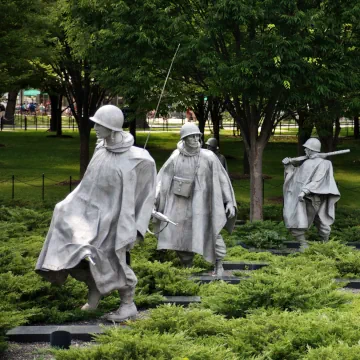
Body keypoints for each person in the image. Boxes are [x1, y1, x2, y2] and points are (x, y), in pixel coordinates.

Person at [36, 105, 156, 322]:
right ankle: (94, 292)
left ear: (112, 127)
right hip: (90, 215)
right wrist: (67, 206)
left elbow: (146, 197)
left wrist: (138, 228)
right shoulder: (100, 149)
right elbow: (88, 186)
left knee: (113, 259)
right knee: (78, 252)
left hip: (116, 221)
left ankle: (127, 304)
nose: (95, 128)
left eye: (100, 124)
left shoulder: (139, 158)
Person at [154, 123, 237, 275]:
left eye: (197, 135)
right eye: (191, 136)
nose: (195, 138)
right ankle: (187, 267)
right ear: (184, 139)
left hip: (203, 203)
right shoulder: (175, 157)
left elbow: (222, 179)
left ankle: (219, 265)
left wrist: (229, 201)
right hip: (180, 203)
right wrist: (154, 200)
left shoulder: (209, 157)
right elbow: (162, 179)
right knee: (180, 234)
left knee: (212, 231)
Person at [282, 138, 340, 251]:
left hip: (313, 198)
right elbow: (296, 177)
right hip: (302, 198)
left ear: (311, 150)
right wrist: (289, 165)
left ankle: (325, 246)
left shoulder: (325, 163)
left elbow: (318, 179)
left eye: (306, 148)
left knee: (321, 223)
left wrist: (305, 191)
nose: (304, 150)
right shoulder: (307, 162)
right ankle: (305, 245)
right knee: (295, 221)